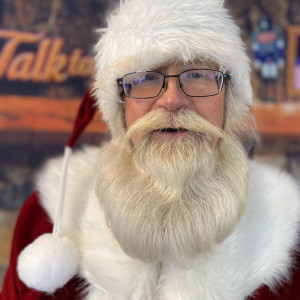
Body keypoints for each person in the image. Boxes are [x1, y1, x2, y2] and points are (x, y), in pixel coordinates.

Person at [1, 0, 300, 299]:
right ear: (121, 107)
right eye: (145, 78)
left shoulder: (287, 234)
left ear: (227, 103)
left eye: (198, 75)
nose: (171, 100)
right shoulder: (45, 220)